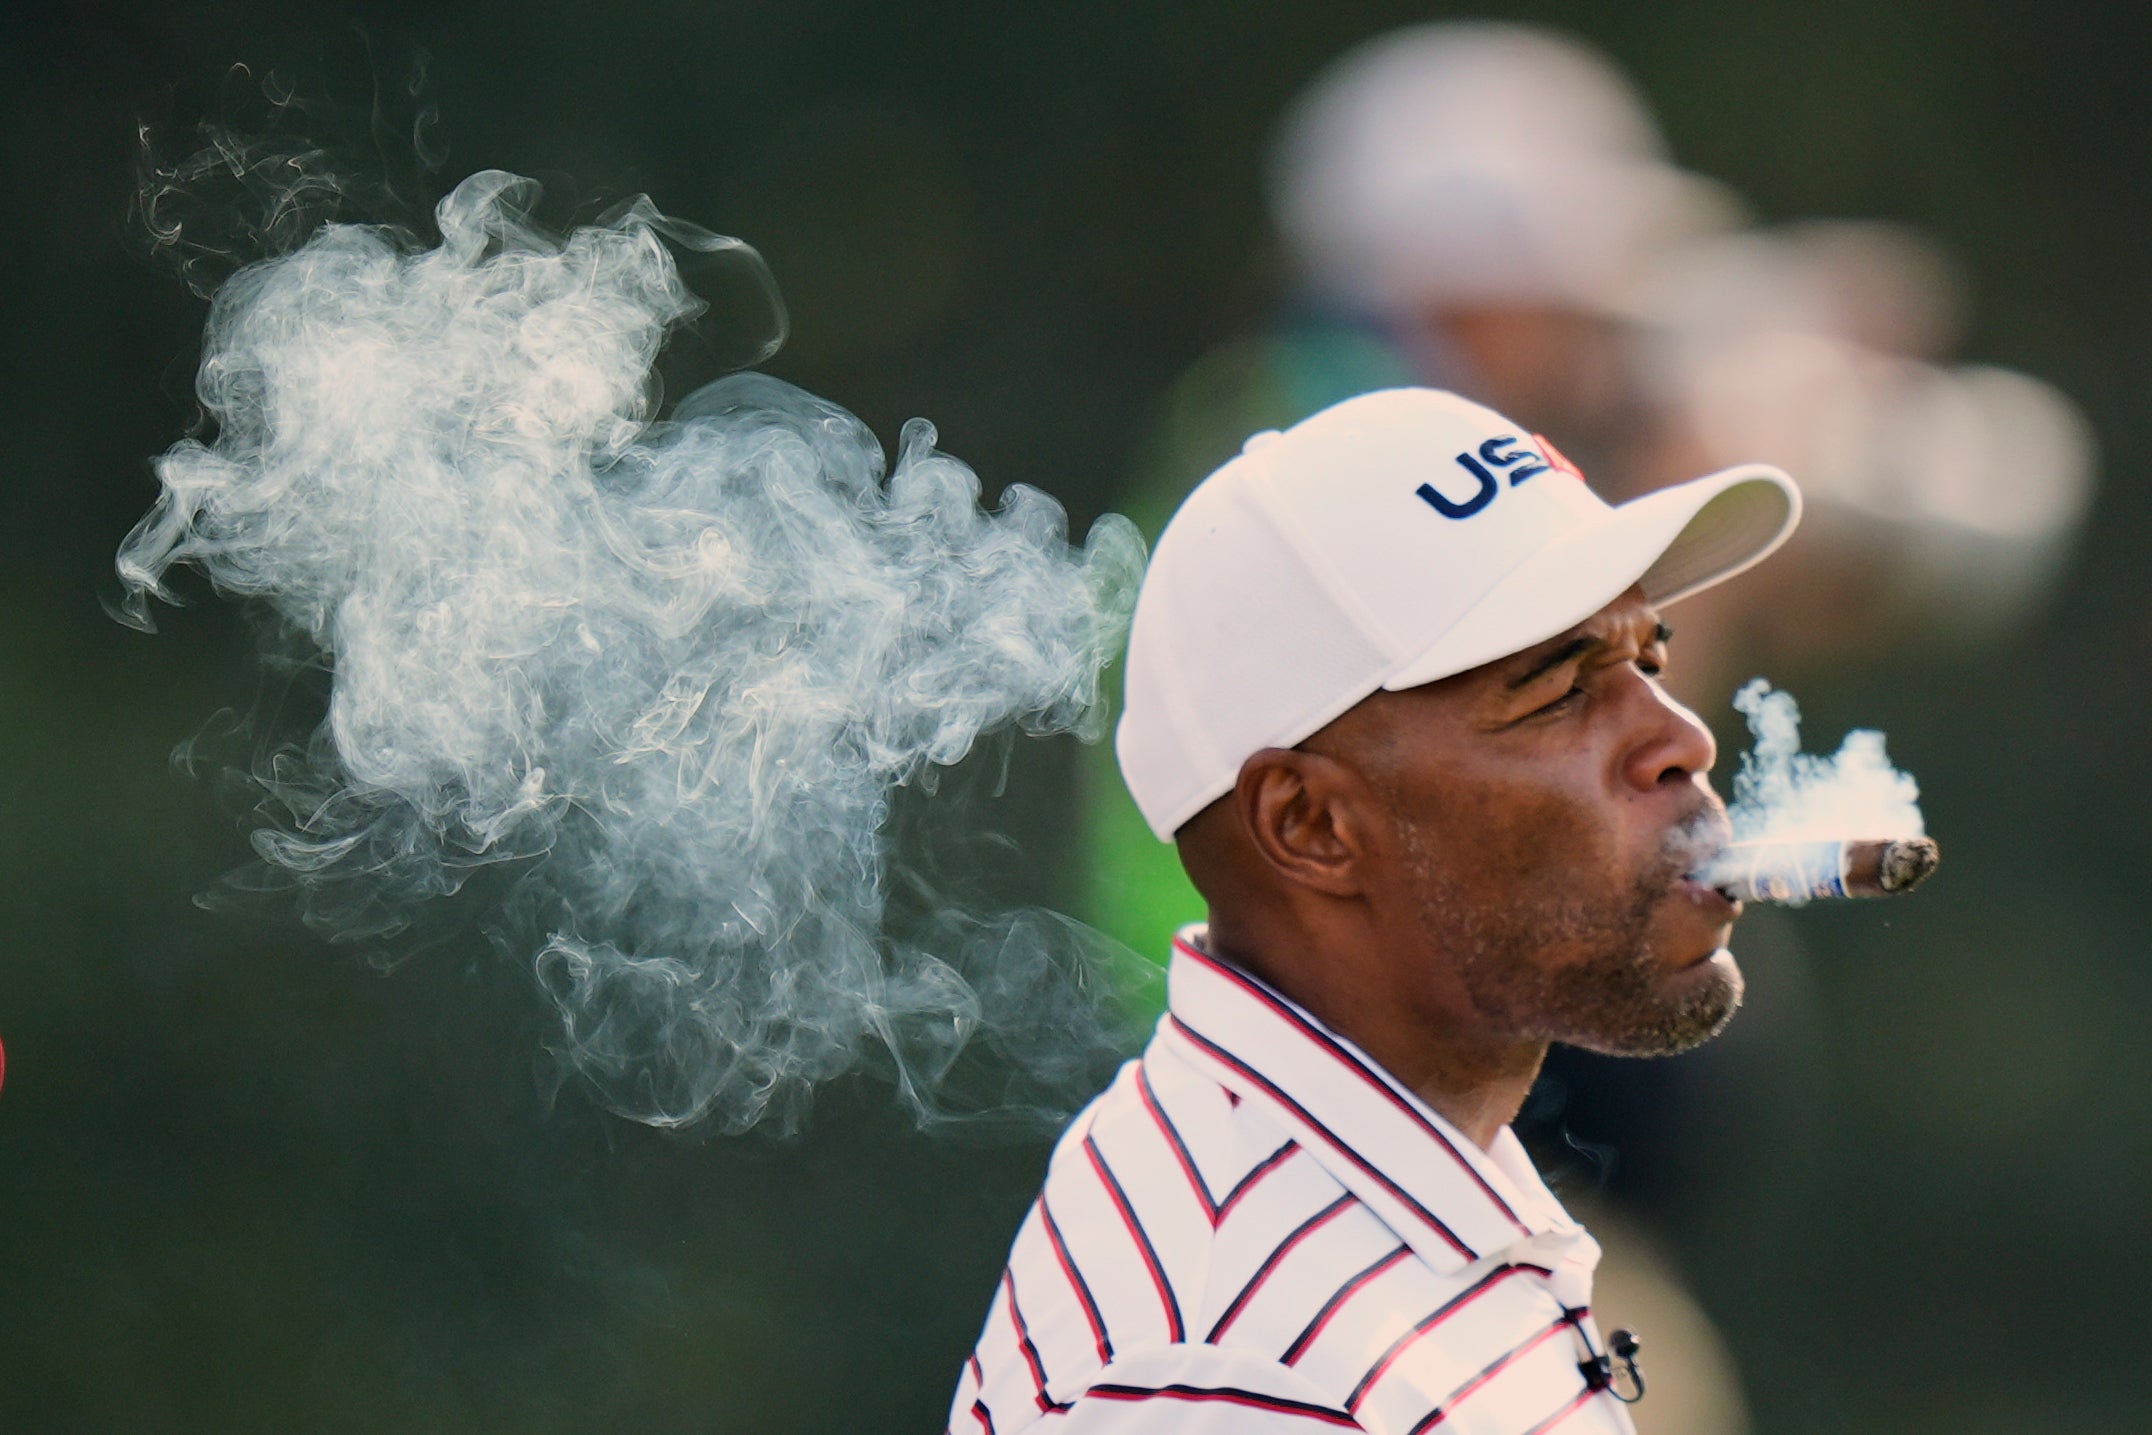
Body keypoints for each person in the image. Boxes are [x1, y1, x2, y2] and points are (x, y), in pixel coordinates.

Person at [948, 388, 1799, 1433]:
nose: (1682, 738)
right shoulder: (1232, 1380)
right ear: (1311, 823)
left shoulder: (1391, 1189)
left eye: (1648, 660)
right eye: (1559, 691)